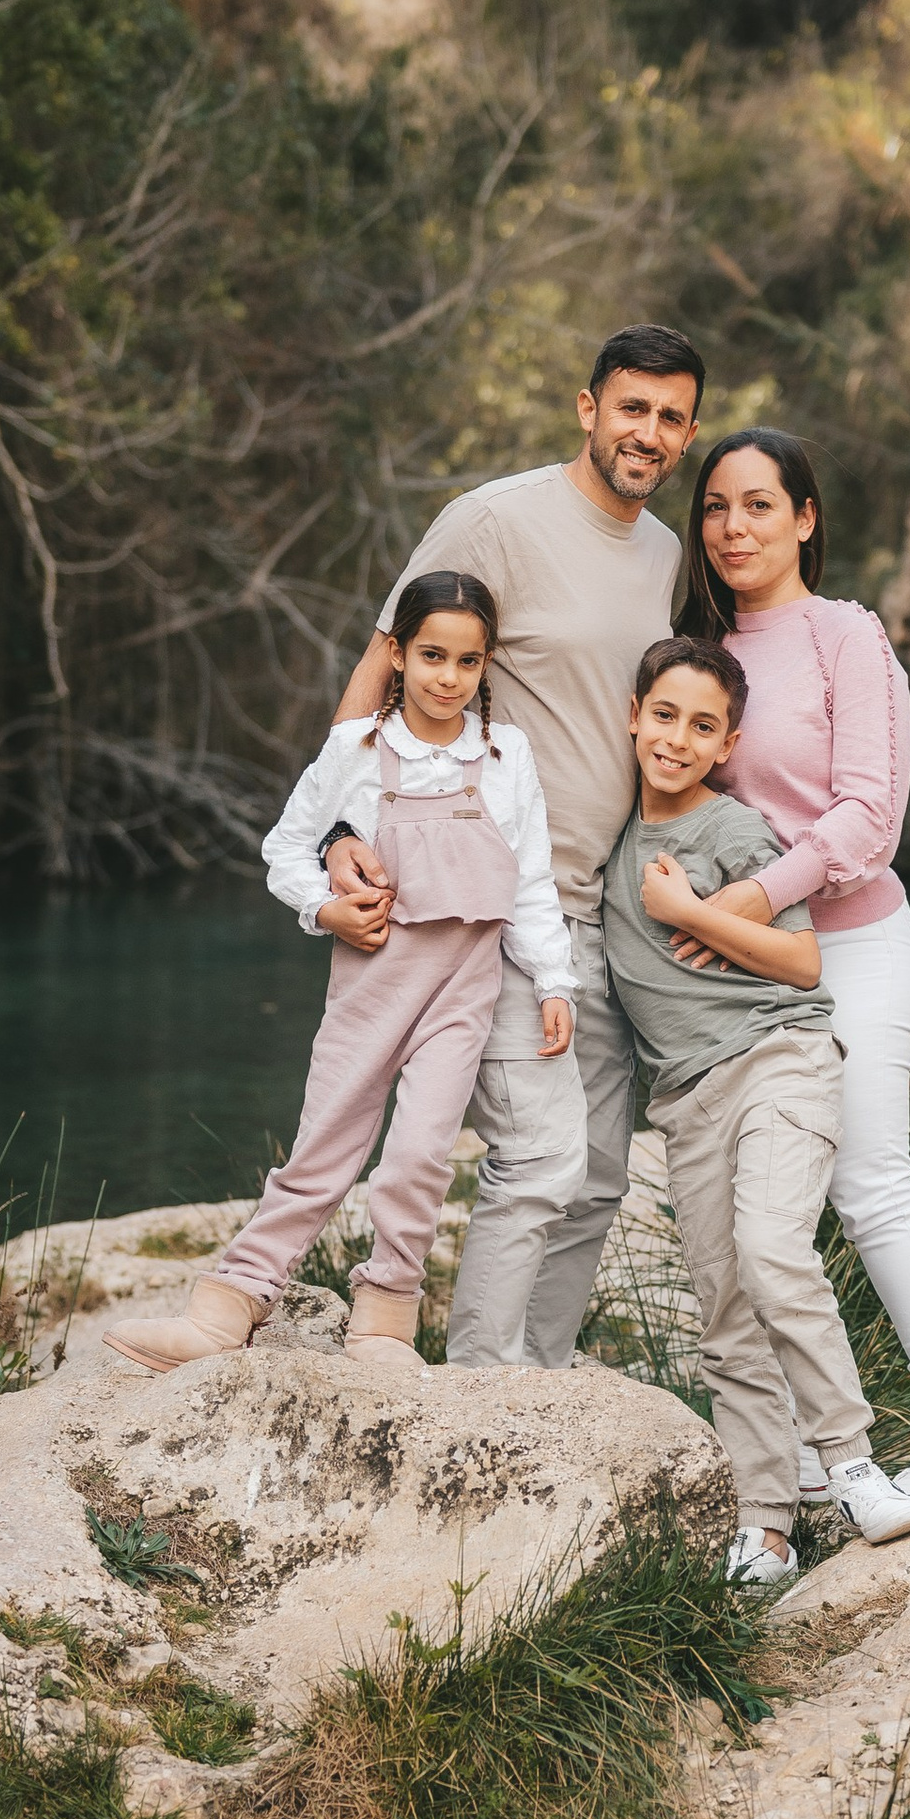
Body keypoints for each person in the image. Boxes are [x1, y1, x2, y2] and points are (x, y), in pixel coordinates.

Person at [319, 326, 704, 1370]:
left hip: (607, 905)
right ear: (588, 408)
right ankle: (481, 1386)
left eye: (671, 417)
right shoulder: (492, 519)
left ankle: (538, 1385)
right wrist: (339, 827)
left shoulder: (666, 552)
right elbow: (386, 665)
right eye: (632, 408)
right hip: (495, 902)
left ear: (688, 433)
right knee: (538, 1162)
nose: (649, 433)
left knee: (598, 1177)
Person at [101, 574, 575, 1375]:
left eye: (467, 661)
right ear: (395, 654)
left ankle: (385, 1322)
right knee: (323, 1151)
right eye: (430, 655)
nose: (447, 677)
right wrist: (327, 910)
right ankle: (228, 1307)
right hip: (371, 980)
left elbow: (530, 880)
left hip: (466, 987)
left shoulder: (505, 754)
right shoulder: (355, 748)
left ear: (487, 665)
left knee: (420, 1155)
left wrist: (554, 979)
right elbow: (284, 850)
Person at [671, 427, 910, 1510]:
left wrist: (751, 896)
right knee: (755, 1218)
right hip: (735, 970)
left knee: (868, 1182)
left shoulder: (843, 635)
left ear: (806, 519)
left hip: (852, 945)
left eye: (760, 505)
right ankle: (813, 1458)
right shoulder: (693, 645)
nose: (733, 526)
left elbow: (870, 817)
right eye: (716, 506)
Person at [601, 634, 910, 1577]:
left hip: (780, 1057)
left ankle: (856, 1465)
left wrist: (694, 912)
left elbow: (802, 961)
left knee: (775, 1252)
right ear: (633, 717)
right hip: (689, 1097)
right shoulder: (615, 841)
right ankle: (767, 1524)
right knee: (725, 1309)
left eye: (702, 727)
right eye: (663, 715)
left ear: (726, 743)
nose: (676, 738)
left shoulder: (733, 832)